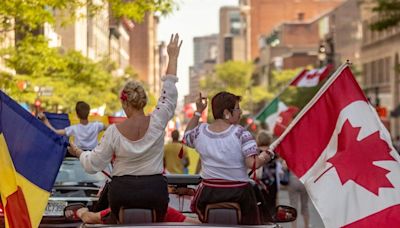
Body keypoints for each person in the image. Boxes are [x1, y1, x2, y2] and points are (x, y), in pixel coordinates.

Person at [68, 33, 182, 222]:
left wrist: (78, 152)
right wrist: (173, 57)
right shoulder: (158, 120)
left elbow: (92, 164)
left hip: (122, 194)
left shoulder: (113, 132)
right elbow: (168, 94)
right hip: (155, 193)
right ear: (143, 101)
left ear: (125, 104)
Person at [183, 92, 275, 225]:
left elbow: (186, 138)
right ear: (226, 112)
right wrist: (266, 156)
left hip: (209, 195)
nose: (240, 112)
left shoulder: (200, 132)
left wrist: (198, 112)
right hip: (240, 195)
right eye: (238, 108)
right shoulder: (242, 134)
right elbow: (252, 164)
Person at [39, 101, 106, 151]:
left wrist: (45, 120)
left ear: (77, 115)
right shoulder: (97, 125)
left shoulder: (74, 129)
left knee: (68, 147)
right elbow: (111, 127)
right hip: (93, 153)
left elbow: (55, 132)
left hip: (78, 153)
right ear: (88, 113)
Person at [65, 206, 200, 224]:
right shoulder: (163, 211)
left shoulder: (118, 211)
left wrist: (81, 211)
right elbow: (193, 223)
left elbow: (90, 218)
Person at [256, 131, 283, 216]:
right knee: (271, 208)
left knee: (258, 207)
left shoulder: (255, 152)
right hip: (272, 184)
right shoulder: (272, 153)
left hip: (258, 183)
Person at [282, 160, 310, 228]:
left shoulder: (291, 155)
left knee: (293, 206)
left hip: (293, 181)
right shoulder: (305, 156)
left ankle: (294, 226)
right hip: (304, 182)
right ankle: (306, 226)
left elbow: (284, 167)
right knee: (305, 205)